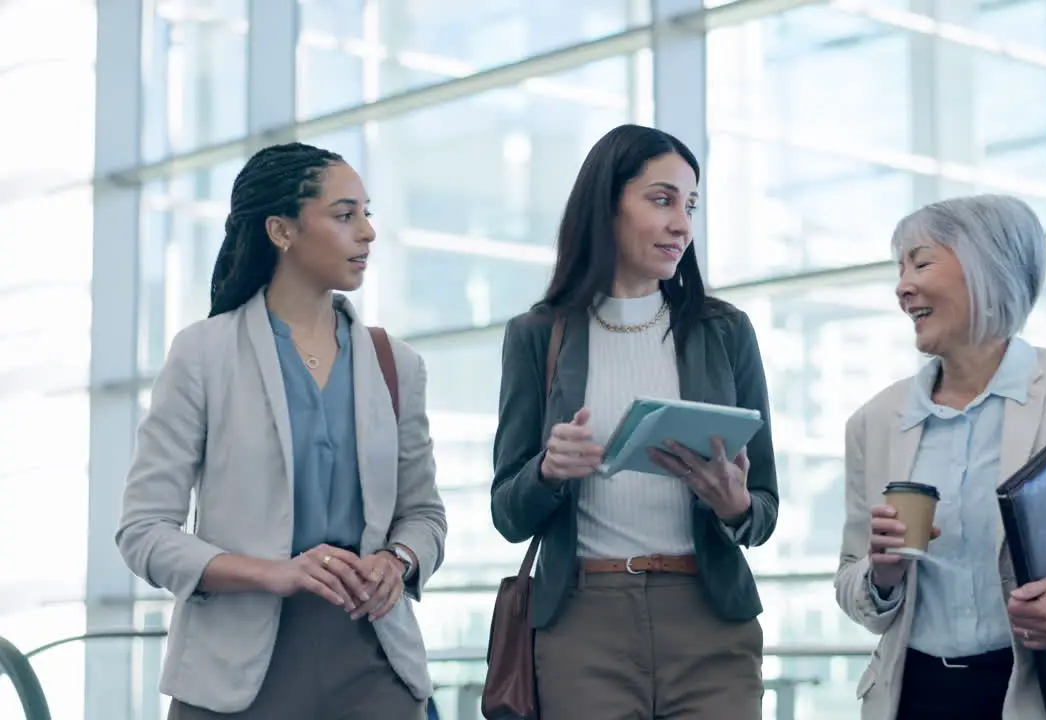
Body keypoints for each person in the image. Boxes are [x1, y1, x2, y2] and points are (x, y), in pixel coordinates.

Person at [116, 142, 447, 719]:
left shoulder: (396, 364)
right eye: (345, 215)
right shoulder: (203, 354)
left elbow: (424, 515)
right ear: (281, 230)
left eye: (367, 213)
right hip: (233, 677)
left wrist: (397, 561)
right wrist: (274, 573)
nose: (367, 232)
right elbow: (144, 531)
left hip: (374, 668)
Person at [834, 195, 1046, 720]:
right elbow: (851, 581)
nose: (902, 287)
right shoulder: (874, 422)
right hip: (915, 697)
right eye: (899, 268)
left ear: (986, 266)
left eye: (921, 262)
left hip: (1040, 697)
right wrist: (880, 576)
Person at [490, 124, 779, 719]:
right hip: (582, 622)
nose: (683, 224)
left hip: (710, 618)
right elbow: (507, 514)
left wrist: (735, 506)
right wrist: (547, 471)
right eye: (662, 199)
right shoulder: (537, 336)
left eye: (690, 205)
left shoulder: (724, 332)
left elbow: (764, 509)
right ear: (607, 204)